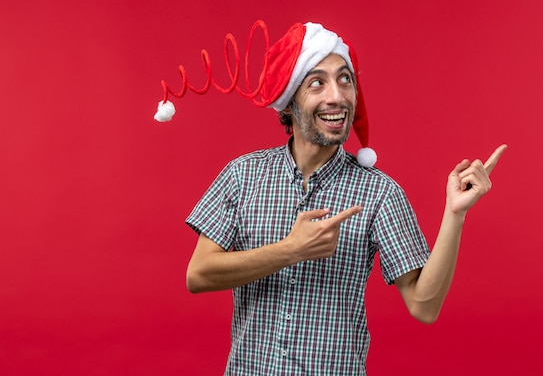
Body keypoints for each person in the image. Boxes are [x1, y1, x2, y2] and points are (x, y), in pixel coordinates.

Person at [164, 21, 506, 375]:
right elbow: (198, 275)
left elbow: (424, 305)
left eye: (345, 79)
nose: (337, 96)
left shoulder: (380, 193)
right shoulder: (242, 176)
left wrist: (455, 215)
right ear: (288, 102)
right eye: (317, 82)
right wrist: (291, 250)